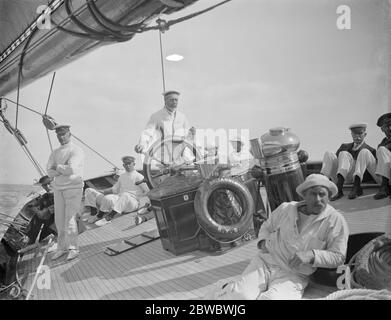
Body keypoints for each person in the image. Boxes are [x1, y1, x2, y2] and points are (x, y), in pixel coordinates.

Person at [205, 174, 349, 300]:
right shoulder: (286, 208)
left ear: (329, 196)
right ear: (304, 195)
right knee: (241, 296)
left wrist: (312, 255)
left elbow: (338, 256)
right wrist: (262, 242)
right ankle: (222, 289)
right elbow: (267, 226)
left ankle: (237, 288)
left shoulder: (335, 220)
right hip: (265, 262)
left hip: (294, 274)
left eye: (322, 194)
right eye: (312, 194)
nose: (318, 199)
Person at [46, 125, 84, 261]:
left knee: (70, 219)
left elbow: (72, 169)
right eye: (58, 135)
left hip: (73, 188)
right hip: (58, 188)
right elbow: (49, 171)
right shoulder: (55, 152)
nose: (61, 137)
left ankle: (74, 248)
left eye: (63, 134)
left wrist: (57, 167)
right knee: (59, 220)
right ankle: (61, 248)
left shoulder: (76, 150)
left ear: (69, 134)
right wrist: (62, 168)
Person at [84, 156, 150, 226]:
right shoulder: (122, 176)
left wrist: (145, 205)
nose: (127, 165)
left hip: (133, 203)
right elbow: (114, 189)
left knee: (125, 195)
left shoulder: (139, 177)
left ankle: (109, 218)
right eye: (125, 164)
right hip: (120, 199)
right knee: (108, 198)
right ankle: (99, 216)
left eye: (129, 163)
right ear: (123, 165)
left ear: (133, 164)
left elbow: (147, 191)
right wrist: (101, 191)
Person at [320, 123, 377, 201]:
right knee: (329, 153)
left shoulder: (370, 150)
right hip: (340, 178)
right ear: (351, 134)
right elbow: (335, 163)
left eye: (360, 134)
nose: (357, 137)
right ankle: (321, 184)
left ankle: (343, 189)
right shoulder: (344, 146)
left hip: (354, 179)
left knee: (344, 153)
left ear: (365, 134)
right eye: (355, 134)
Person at [134, 91, 193, 155]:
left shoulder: (182, 117)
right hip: (164, 154)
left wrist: (192, 133)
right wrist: (142, 145)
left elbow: (188, 136)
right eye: (171, 100)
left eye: (176, 100)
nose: (174, 102)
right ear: (165, 101)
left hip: (181, 154)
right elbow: (147, 133)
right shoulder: (156, 116)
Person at [25, 175, 56, 244]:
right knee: (41, 238)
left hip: (59, 226)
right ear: (42, 186)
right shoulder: (46, 195)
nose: (47, 186)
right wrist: (33, 204)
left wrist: (34, 209)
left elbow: (42, 214)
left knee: (38, 217)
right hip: (50, 222)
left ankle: (29, 239)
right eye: (45, 185)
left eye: (49, 183)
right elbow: (39, 201)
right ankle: (29, 238)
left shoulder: (59, 196)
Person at [373, 112, 391, 199]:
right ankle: (385, 186)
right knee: (382, 149)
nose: (390, 128)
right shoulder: (381, 145)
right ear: (382, 129)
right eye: (387, 126)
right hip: (388, 175)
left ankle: (385, 187)